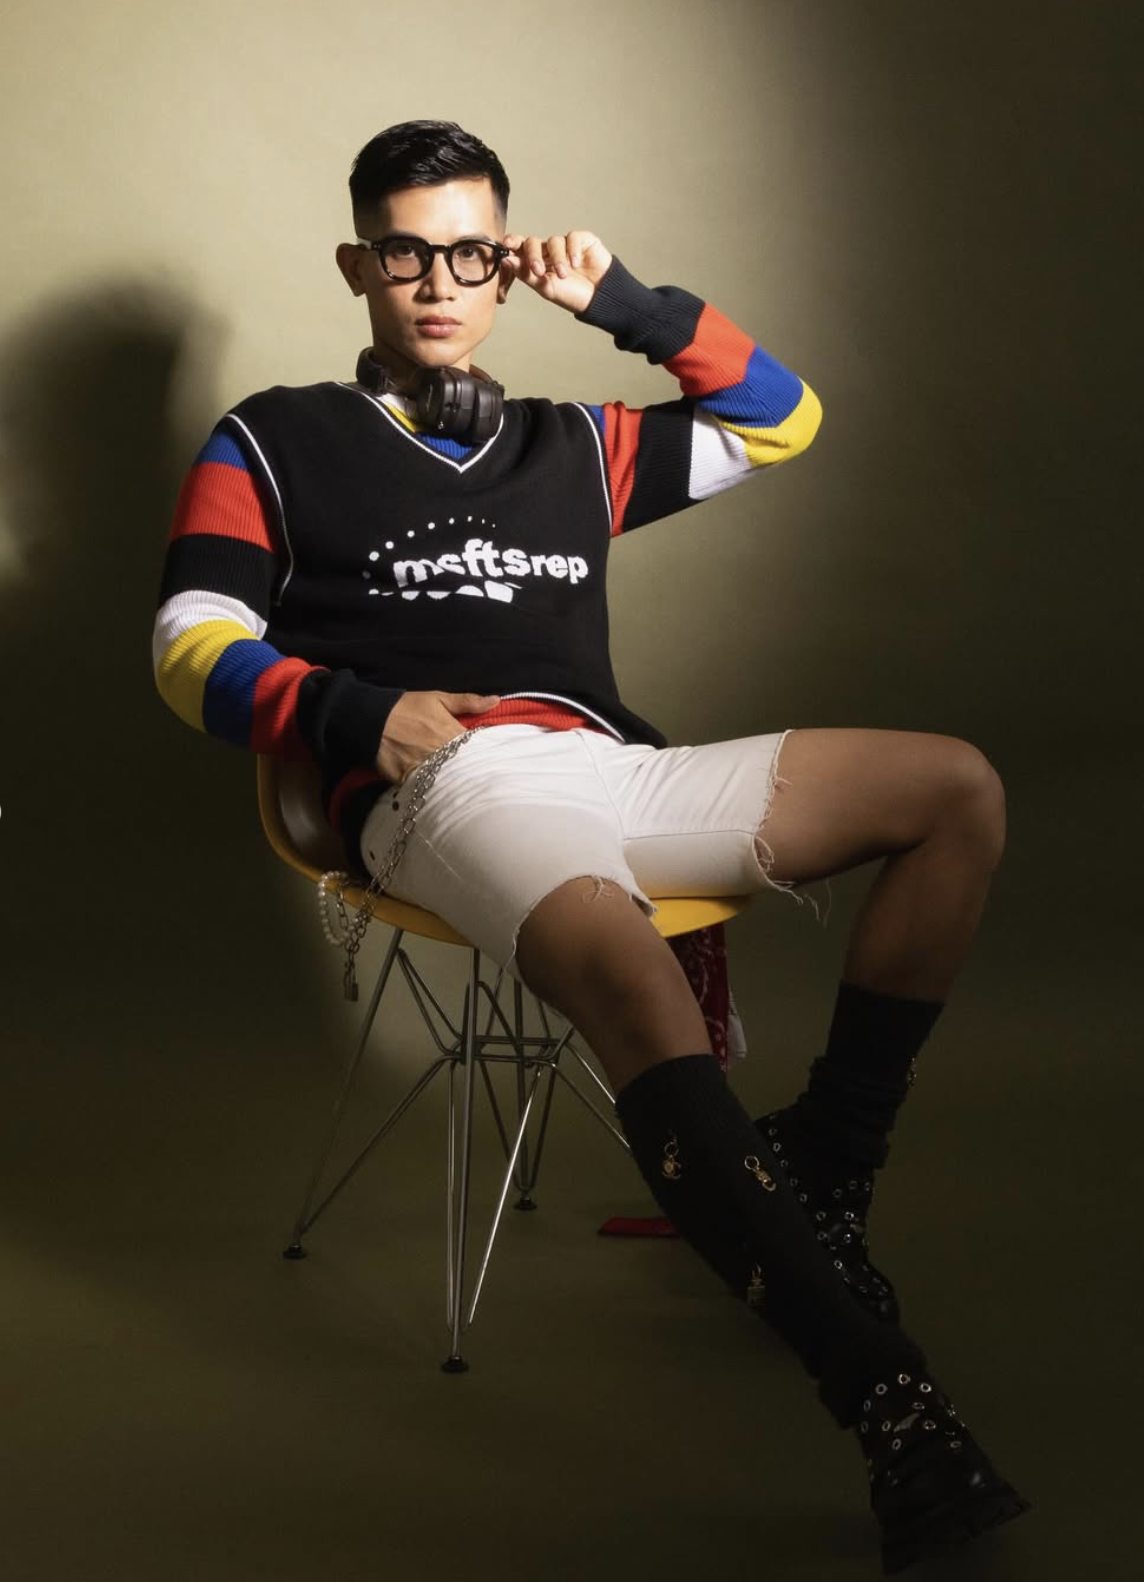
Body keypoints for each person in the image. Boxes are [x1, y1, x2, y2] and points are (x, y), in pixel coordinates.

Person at [153, 119, 1029, 1573]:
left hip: (611, 767)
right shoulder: (273, 436)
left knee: (957, 790)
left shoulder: (573, 445)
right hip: (450, 788)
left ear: (503, 264)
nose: (438, 280)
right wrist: (363, 714)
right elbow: (191, 649)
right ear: (359, 262)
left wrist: (624, 302)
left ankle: (824, 1165)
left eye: (470, 252)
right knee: (637, 989)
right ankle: (891, 1404)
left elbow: (784, 416)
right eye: (407, 251)